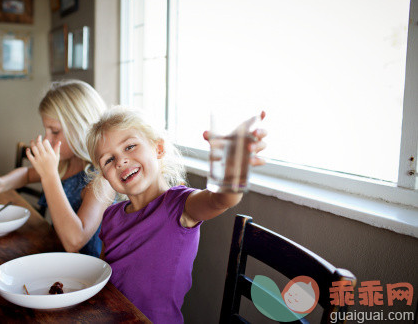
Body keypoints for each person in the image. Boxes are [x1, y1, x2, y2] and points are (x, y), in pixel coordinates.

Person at [29, 105, 267, 322]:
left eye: (130, 146)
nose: (121, 161)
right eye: (109, 160)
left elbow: (221, 200)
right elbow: (104, 276)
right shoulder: (111, 216)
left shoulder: (180, 205)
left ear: (158, 148)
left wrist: (232, 172)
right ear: (103, 175)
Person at [0, 80, 114, 257]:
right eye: (46, 130)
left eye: (54, 131)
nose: (47, 139)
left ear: (82, 128)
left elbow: (75, 241)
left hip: (90, 273)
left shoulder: (101, 179)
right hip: (59, 257)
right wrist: (2, 183)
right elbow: (26, 175)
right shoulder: (65, 163)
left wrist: (50, 175)